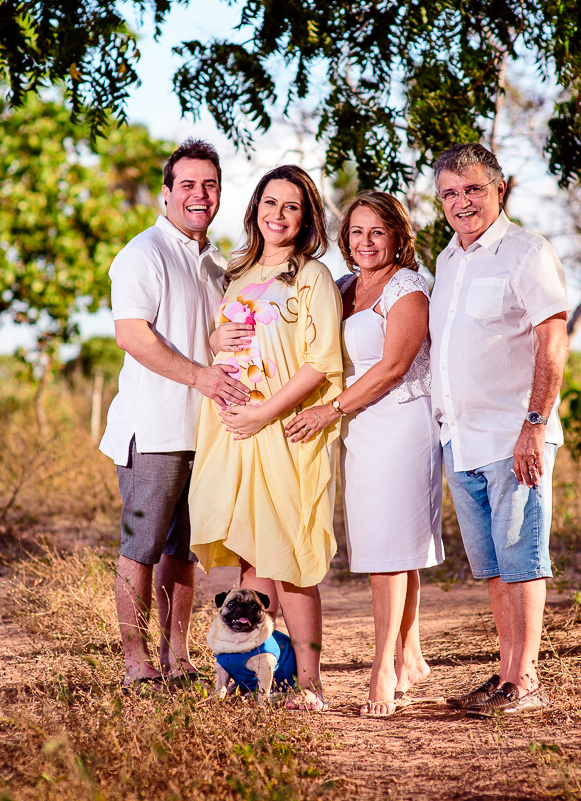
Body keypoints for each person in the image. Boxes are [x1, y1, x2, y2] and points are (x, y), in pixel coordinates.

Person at [189, 164, 343, 712]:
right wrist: (214, 336)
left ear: (306, 219)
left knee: (293, 557)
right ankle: (265, 677)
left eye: (292, 207)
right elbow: (231, 339)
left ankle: (311, 683)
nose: (278, 215)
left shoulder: (313, 277)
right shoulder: (240, 271)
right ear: (255, 207)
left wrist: (263, 415)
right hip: (233, 431)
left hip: (281, 428)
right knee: (253, 557)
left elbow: (318, 365)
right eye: (270, 203)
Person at [98, 139, 251, 690]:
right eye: (186, 184)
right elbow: (132, 335)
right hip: (154, 429)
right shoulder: (142, 254)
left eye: (208, 185)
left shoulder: (216, 263)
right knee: (140, 546)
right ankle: (135, 661)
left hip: (205, 433)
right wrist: (201, 377)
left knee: (183, 551)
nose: (199, 194)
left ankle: (177, 656)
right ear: (166, 193)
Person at [286, 192, 443, 718]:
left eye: (378, 232)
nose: (366, 242)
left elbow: (393, 367)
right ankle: (411, 656)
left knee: (386, 553)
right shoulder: (345, 286)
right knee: (395, 547)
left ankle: (382, 668)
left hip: (401, 421)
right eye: (356, 232)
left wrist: (329, 411)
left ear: (399, 236)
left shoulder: (409, 288)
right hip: (360, 424)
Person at [429, 143, 571, 717]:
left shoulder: (526, 253)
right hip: (460, 440)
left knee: (521, 560)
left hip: (514, 437)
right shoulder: (447, 260)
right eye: (450, 193)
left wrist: (534, 426)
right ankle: (507, 669)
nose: (462, 202)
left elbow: (552, 339)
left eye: (473, 190)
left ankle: (526, 676)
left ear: (500, 189)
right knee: (491, 568)